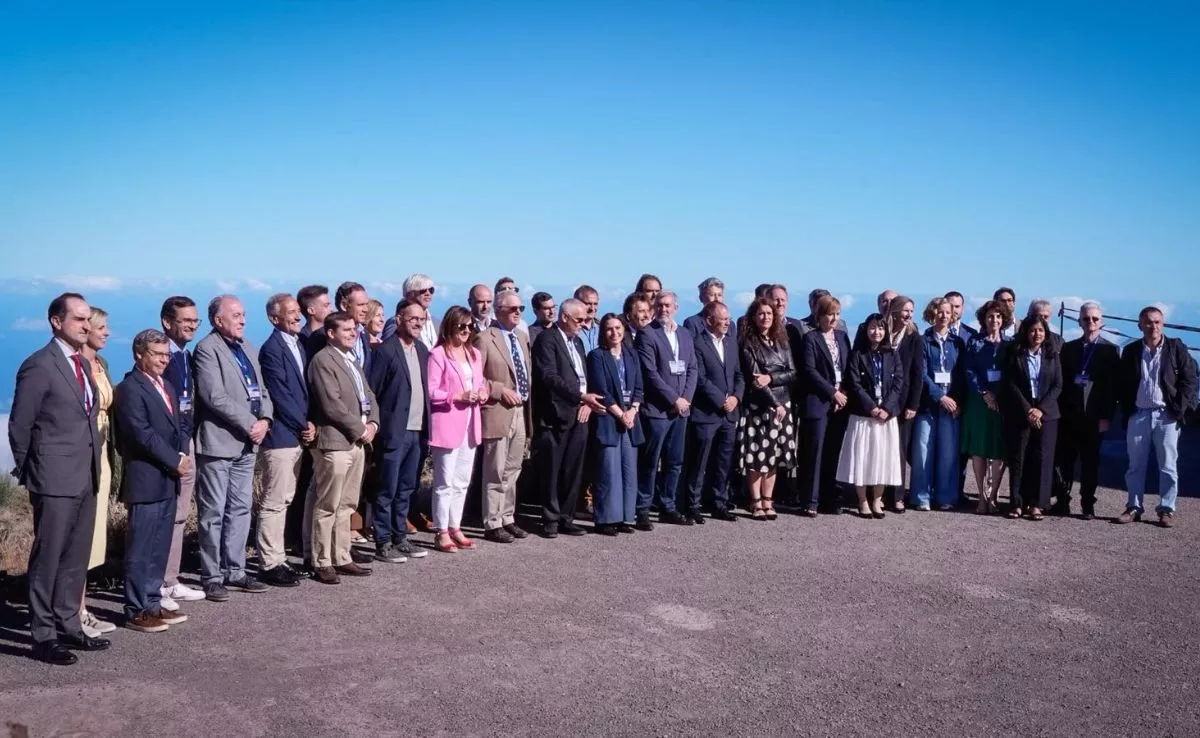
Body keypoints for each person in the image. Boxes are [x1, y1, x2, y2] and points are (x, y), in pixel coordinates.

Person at [9, 292, 110, 665]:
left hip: (85, 474)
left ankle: (69, 624)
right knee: (48, 557)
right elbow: (20, 425)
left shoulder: (82, 363)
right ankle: (43, 636)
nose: (86, 325)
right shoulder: (39, 365)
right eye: (78, 319)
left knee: (75, 557)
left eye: (87, 319)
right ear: (56, 321)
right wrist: (31, 470)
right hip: (53, 477)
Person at [192, 295, 272, 601]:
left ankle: (235, 570)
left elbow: (262, 390)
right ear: (218, 320)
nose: (243, 320)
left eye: (243, 314)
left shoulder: (248, 347)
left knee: (240, 509)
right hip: (219, 443)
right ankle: (212, 576)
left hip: (248, 443)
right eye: (236, 315)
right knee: (213, 512)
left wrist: (265, 419)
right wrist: (251, 423)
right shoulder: (206, 349)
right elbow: (214, 396)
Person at [112, 329, 191, 633]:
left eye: (166, 354)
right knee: (140, 548)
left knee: (159, 546)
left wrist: (182, 453)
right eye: (157, 354)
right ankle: (136, 609)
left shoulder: (167, 386)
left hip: (168, 478)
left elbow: (179, 424)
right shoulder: (129, 389)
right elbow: (140, 433)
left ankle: (153, 602)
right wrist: (174, 460)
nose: (163, 360)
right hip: (145, 478)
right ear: (139, 355)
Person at [307, 312, 380, 582]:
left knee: (347, 503)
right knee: (328, 504)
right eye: (346, 329)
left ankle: (341, 556)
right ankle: (322, 560)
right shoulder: (323, 361)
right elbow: (331, 405)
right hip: (335, 442)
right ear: (331, 333)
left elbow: (369, 394)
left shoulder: (351, 360)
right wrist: (361, 429)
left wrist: (373, 424)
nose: (353, 333)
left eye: (354, 329)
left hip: (357, 442)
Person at [1116, 306, 1197, 528]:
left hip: (1166, 416)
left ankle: (1166, 509)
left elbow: (1190, 379)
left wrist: (1179, 409)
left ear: (1163, 324)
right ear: (1140, 325)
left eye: (1158, 322)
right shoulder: (1131, 351)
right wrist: (1126, 408)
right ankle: (1134, 507)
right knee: (1135, 465)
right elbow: (1121, 382)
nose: (1154, 326)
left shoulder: (1175, 348)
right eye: (1149, 322)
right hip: (1139, 414)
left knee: (1168, 466)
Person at [530, 299, 604, 537]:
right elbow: (549, 377)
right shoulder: (547, 340)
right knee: (552, 469)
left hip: (580, 413)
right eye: (578, 320)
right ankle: (550, 518)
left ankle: (566, 516)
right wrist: (580, 396)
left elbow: (584, 375)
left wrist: (586, 402)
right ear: (564, 317)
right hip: (555, 414)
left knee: (573, 468)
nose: (582, 324)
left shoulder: (578, 342)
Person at [367, 299, 432, 563]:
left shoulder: (422, 350)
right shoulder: (386, 351)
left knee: (406, 488)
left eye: (421, 319)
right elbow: (373, 390)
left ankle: (399, 537)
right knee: (386, 489)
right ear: (399, 319)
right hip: (393, 432)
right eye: (413, 318)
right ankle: (382, 542)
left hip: (418, 431)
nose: (418, 323)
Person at [255, 293, 312, 587]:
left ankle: (279, 558)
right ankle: (269, 562)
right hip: (281, 435)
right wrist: (304, 424)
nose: (297, 316)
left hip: (296, 435)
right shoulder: (271, 350)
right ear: (273, 318)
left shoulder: (298, 344)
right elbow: (280, 394)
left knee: (286, 498)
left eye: (297, 311)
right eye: (290, 312)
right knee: (274, 500)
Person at [424, 306, 489, 552]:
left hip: (471, 424)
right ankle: (441, 530)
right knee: (444, 482)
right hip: (447, 423)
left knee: (462, 481)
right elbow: (432, 391)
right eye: (461, 326)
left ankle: (455, 526)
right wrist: (457, 396)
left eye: (470, 326)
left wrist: (482, 393)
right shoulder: (438, 354)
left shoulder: (474, 354)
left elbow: (480, 383)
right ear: (450, 326)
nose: (466, 330)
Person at [635, 290, 699, 527]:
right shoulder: (647, 334)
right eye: (660, 305)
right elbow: (650, 373)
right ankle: (642, 508)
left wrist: (686, 398)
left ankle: (668, 506)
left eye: (668, 305)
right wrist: (674, 399)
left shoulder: (684, 334)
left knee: (674, 462)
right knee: (650, 462)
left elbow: (692, 368)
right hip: (657, 410)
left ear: (676, 308)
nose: (664, 309)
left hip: (681, 411)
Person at [158, 296, 206, 605]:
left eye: (194, 321)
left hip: (186, 443)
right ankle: (158, 584)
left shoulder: (186, 355)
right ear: (167, 322)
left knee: (179, 516)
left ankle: (170, 579)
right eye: (185, 320)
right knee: (166, 516)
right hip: (168, 448)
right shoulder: (162, 356)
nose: (191, 326)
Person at [1052, 302, 1119, 519]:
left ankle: (1088, 505)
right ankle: (1062, 501)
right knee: (1064, 461)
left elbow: (1112, 388)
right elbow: (1061, 381)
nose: (1091, 322)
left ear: (1102, 322)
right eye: (1086, 318)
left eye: (1095, 319)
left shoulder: (1110, 350)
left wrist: (1106, 417)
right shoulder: (1069, 348)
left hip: (1094, 416)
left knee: (1090, 462)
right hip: (1069, 415)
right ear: (1080, 321)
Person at [474, 291, 532, 543]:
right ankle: (492, 522)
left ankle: (507, 516)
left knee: (513, 468)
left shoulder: (521, 337)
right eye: (513, 309)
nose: (518, 312)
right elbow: (475, 377)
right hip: (498, 410)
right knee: (495, 470)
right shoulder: (485, 338)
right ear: (498, 311)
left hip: (520, 411)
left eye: (521, 308)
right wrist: (499, 390)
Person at [836, 313, 905, 518]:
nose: (877, 332)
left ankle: (877, 499)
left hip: (886, 416)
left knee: (882, 458)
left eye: (881, 328)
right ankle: (862, 500)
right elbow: (854, 384)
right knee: (863, 458)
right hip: (864, 415)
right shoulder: (857, 354)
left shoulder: (892, 354)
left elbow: (898, 383)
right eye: (873, 328)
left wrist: (887, 408)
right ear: (866, 330)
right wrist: (872, 408)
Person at [737, 298, 798, 520]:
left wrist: (771, 376)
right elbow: (756, 380)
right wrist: (775, 403)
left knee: (774, 456)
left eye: (770, 314)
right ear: (753, 317)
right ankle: (755, 501)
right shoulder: (748, 343)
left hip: (783, 404)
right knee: (757, 457)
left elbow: (792, 372)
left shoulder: (782, 341)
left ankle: (768, 499)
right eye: (761, 313)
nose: (766, 317)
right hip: (760, 406)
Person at [685, 301, 744, 522]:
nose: (727, 323)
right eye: (723, 319)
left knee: (723, 461)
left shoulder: (730, 342)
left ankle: (719, 502)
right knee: (699, 461)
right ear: (709, 320)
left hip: (729, 414)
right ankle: (692, 504)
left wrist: (736, 397)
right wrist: (721, 400)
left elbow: (739, 374)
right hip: (707, 413)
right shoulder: (698, 343)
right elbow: (700, 379)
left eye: (729, 319)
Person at [586, 314, 645, 534]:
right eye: (609, 329)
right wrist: (621, 415)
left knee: (629, 470)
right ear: (603, 332)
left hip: (631, 418)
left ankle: (625, 518)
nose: (615, 333)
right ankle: (606, 520)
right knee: (608, 470)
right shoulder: (597, 356)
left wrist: (633, 411)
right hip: (609, 418)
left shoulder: (632, 355)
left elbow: (639, 387)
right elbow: (602, 390)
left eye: (618, 328)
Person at [78, 306, 116, 637]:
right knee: (79, 535)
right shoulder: (74, 365)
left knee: (92, 537)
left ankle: (80, 608)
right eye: (101, 327)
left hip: (102, 454)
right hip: (81, 456)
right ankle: (73, 612)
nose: (107, 333)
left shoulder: (101, 364)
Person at [1000, 316, 1062, 521]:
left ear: (1046, 333)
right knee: (1019, 458)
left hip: (1047, 413)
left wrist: (1040, 410)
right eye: (1033, 330)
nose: (1037, 334)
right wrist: (1028, 410)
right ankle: (1017, 503)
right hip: (1021, 411)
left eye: (1041, 330)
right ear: (1026, 333)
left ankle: (1038, 504)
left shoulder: (1052, 355)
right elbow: (1010, 383)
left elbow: (1058, 385)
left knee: (1042, 459)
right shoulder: (1015, 353)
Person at [910, 297, 967, 511]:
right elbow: (922, 373)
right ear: (932, 314)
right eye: (939, 311)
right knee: (922, 451)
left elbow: (961, 375)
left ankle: (946, 497)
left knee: (948, 452)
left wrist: (955, 399)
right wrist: (939, 396)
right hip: (928, 404)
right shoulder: (922, 341)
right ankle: (921, 497)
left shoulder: (958, 343)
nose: (943, 316)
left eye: (947, 312)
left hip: (951, 405)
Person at [798, 295, 852, 516]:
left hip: (840, 404)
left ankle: (829, 498)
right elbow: (810, 371)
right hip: (819, 401)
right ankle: (810, 500)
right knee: (815, 452)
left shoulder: (842, 337)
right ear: (819, 316)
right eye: (830, 314)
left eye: (837, 314)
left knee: (833, 452)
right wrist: (833, 393)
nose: (834, 319)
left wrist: (843, 393)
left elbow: (848, 367)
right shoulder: (810, 338)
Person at [960, 300, 1011, 514]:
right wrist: (983, 392)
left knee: (998, 450)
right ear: (984, 319)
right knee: (979, 449)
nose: (994, 320)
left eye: (998, 316)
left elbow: (1013, 372)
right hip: (979, 402)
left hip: (1002, 402)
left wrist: (998, 394)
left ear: (1003, 319)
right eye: (990, 316)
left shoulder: (1010, 345)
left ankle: (993, 497)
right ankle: (981, 497)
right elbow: (968, 370)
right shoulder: (975, 342)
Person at [885, 296, 924, 512]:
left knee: (899, 450)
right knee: (881, 448)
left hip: (904, 402)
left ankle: (897, 496)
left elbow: (918, 373)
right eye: (905, 310)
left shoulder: (913, 337)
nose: (909, 315)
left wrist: (913, 405)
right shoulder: (882, 332)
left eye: (911, 311)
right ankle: (878, 493)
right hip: (881, 400)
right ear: (895, 311)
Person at [382, 274, 439, 347]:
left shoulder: (434, 322)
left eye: (431, 290)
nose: (428, 293)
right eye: (423, 290)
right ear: (410, 294)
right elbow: (387, 348)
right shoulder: (397, 322)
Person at [574, 285, 601, 353]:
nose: (592, 308)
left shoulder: (602, 329)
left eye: (595, 304)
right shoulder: (569, 330)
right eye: (588, 304)